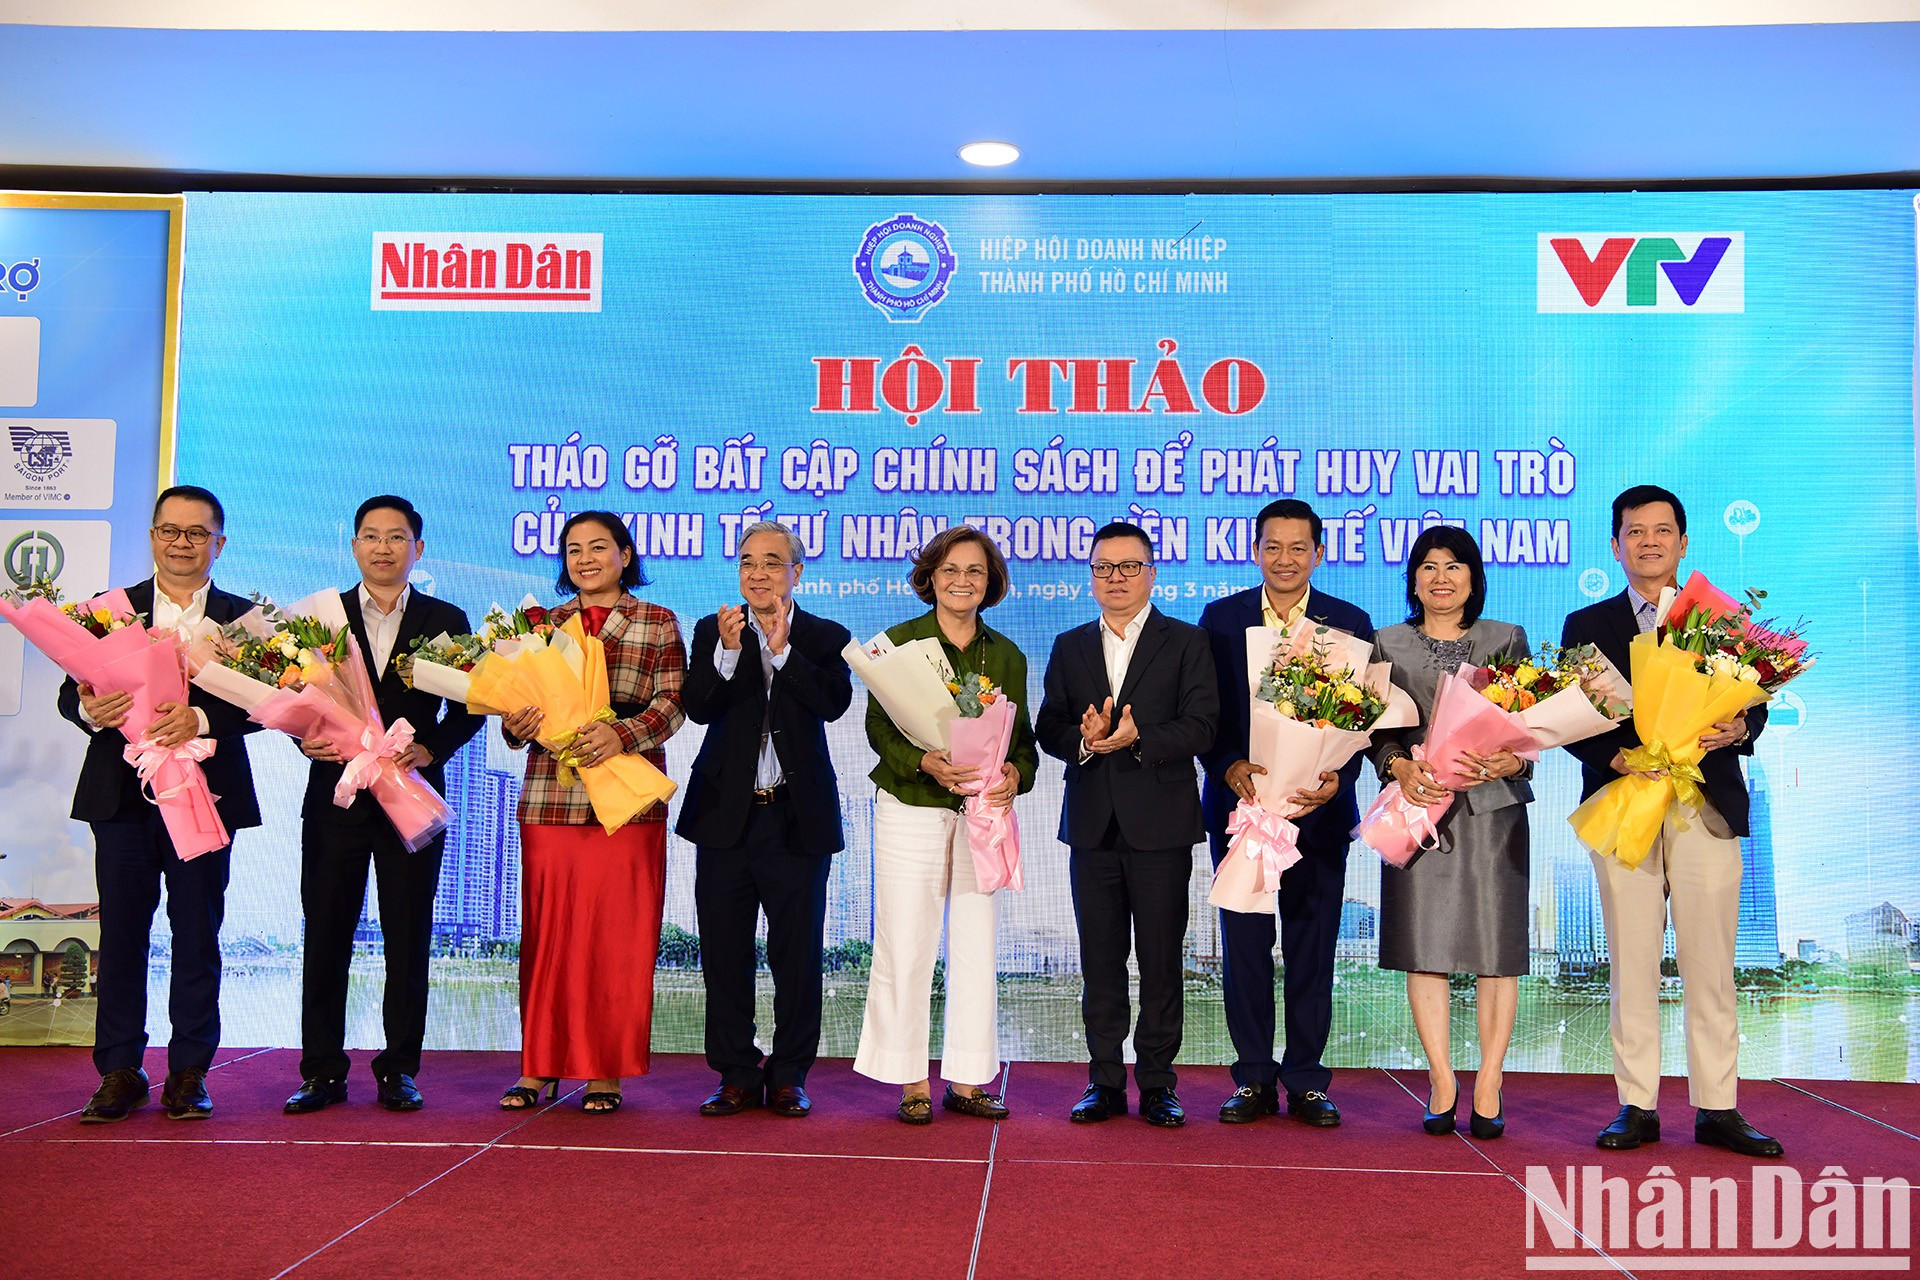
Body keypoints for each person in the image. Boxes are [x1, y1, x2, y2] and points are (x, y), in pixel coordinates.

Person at [1562, 485, 1778, 1157]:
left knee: (1710, 962)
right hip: (1625, 803)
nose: (1649, 542)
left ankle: (1718, 1107)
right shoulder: (1586, 623)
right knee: (1632, 962)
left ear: (1683, 542)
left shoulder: (1720, 619)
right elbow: (1572, 716)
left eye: (1662, 531)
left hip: (1701, 803)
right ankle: (1637, 1106)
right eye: (1635, 531)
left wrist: (1742, 726)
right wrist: (1616, 756)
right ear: (1615, 545)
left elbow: (1754, 703)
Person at [59, 485, 262, 1121]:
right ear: (152, 537)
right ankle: (120, 1071)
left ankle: (189, 1072)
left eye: (197, 533)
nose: (182, 543)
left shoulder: (246, 621)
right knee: (122, 937)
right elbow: (71, 694)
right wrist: (91, 710)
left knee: (198, 935)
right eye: (170, 531)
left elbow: (269, 704)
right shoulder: (109, 611)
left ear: (219, 544)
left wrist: (202, 718)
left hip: (207, 796)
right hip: (123, 799)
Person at [284, 496, 483, 1115]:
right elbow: (291, 700)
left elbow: (474, 704)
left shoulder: (444, 618)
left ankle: (399, 1069)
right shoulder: (321, 620)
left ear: (417, 550)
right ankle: (321, 1072)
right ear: (354, 546)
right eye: (370, 536)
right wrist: (303, 738)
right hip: (337, 797)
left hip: (410, 797)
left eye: (397, 537)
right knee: (326, 936)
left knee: (408, 936)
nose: (383, 547)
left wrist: (433, 747)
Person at [498, 511, 687, 1114]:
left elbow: (673, 704)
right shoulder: (542, 626)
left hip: (626, 797)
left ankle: (606, 1069)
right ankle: (538, 1065)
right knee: (547, 937)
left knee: (618, 939)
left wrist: (621, 734)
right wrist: (515, 723)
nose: (585, 559)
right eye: (574, 549)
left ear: (625, 555)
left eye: (599, 547)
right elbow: (516, 711)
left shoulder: (657, 621)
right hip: (551, 798)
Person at [1197, 498, 1373, 1127]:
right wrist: (1226, 764)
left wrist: (1339, 776)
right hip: (1243, 812)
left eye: (1299, 548)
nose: (1285, 559)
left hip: (1317, 814)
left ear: (1319, 553)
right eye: (1273, 546)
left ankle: (1305, 1079)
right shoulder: (1221, 619)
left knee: (1312, 948)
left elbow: (1363, 719)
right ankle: (1252, 1078)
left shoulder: (1349, 622)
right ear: (1255, 551)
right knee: (1244, 947)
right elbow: (1203, 712)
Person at [852, 526, 1037, 1125]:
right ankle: (909, 1078)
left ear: (991, 583)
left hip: (983, 815)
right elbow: (879, 730)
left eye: (975, 571)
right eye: (950, 570)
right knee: (906, 941)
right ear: (929, 576)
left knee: (977, 943)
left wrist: (1016, 775)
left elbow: (1024, 742)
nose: (962, 581)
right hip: (911, 806)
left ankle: (968, 1077)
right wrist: (923, 761)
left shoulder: (1007, 655)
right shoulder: (897, 644)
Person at [1036, 521, 1217, 1128]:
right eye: (1103, 567)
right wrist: (1083, 741)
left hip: (1161, 826)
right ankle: (1104, 1081)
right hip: (1091, 827)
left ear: (1151, 573)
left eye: (1129, 566)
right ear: (1091, 576)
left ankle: (1159, 1084)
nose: (1115, 577)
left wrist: (1140, 740)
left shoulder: (1186, 641)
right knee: (1101, 961)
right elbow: (1049, 726)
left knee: (1161, 961)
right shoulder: (1069, 646)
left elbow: (1203, 726)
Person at [678, 520, 852, 1119]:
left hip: (795, 818)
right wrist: (730, 654)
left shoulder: (826, 635)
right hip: (726, 817)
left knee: (797, 955)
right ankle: (735, 1073)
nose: (757, 573)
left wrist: (781, 650)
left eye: (772, 562)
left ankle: (789, 1074)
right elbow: (699, 707)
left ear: (796, 572)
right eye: (747, 562)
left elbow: (833, 702)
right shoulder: (714, 630)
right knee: (724, 951)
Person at [1370, 526, 1530, 1139]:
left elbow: (1530, 722)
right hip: (1418, 808)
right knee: (1424, 947)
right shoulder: (1385, 642)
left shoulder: (1506, 638)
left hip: (1491, 810)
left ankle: (1489, 1080)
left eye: (1454, 566)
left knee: (1497, 953)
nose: (1442, 578)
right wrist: (1399, 766)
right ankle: (1441, 1079)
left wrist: (1514, 761)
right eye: (1429, 566)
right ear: (1413, 579)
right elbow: (1376, 732)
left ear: (1473, 577)